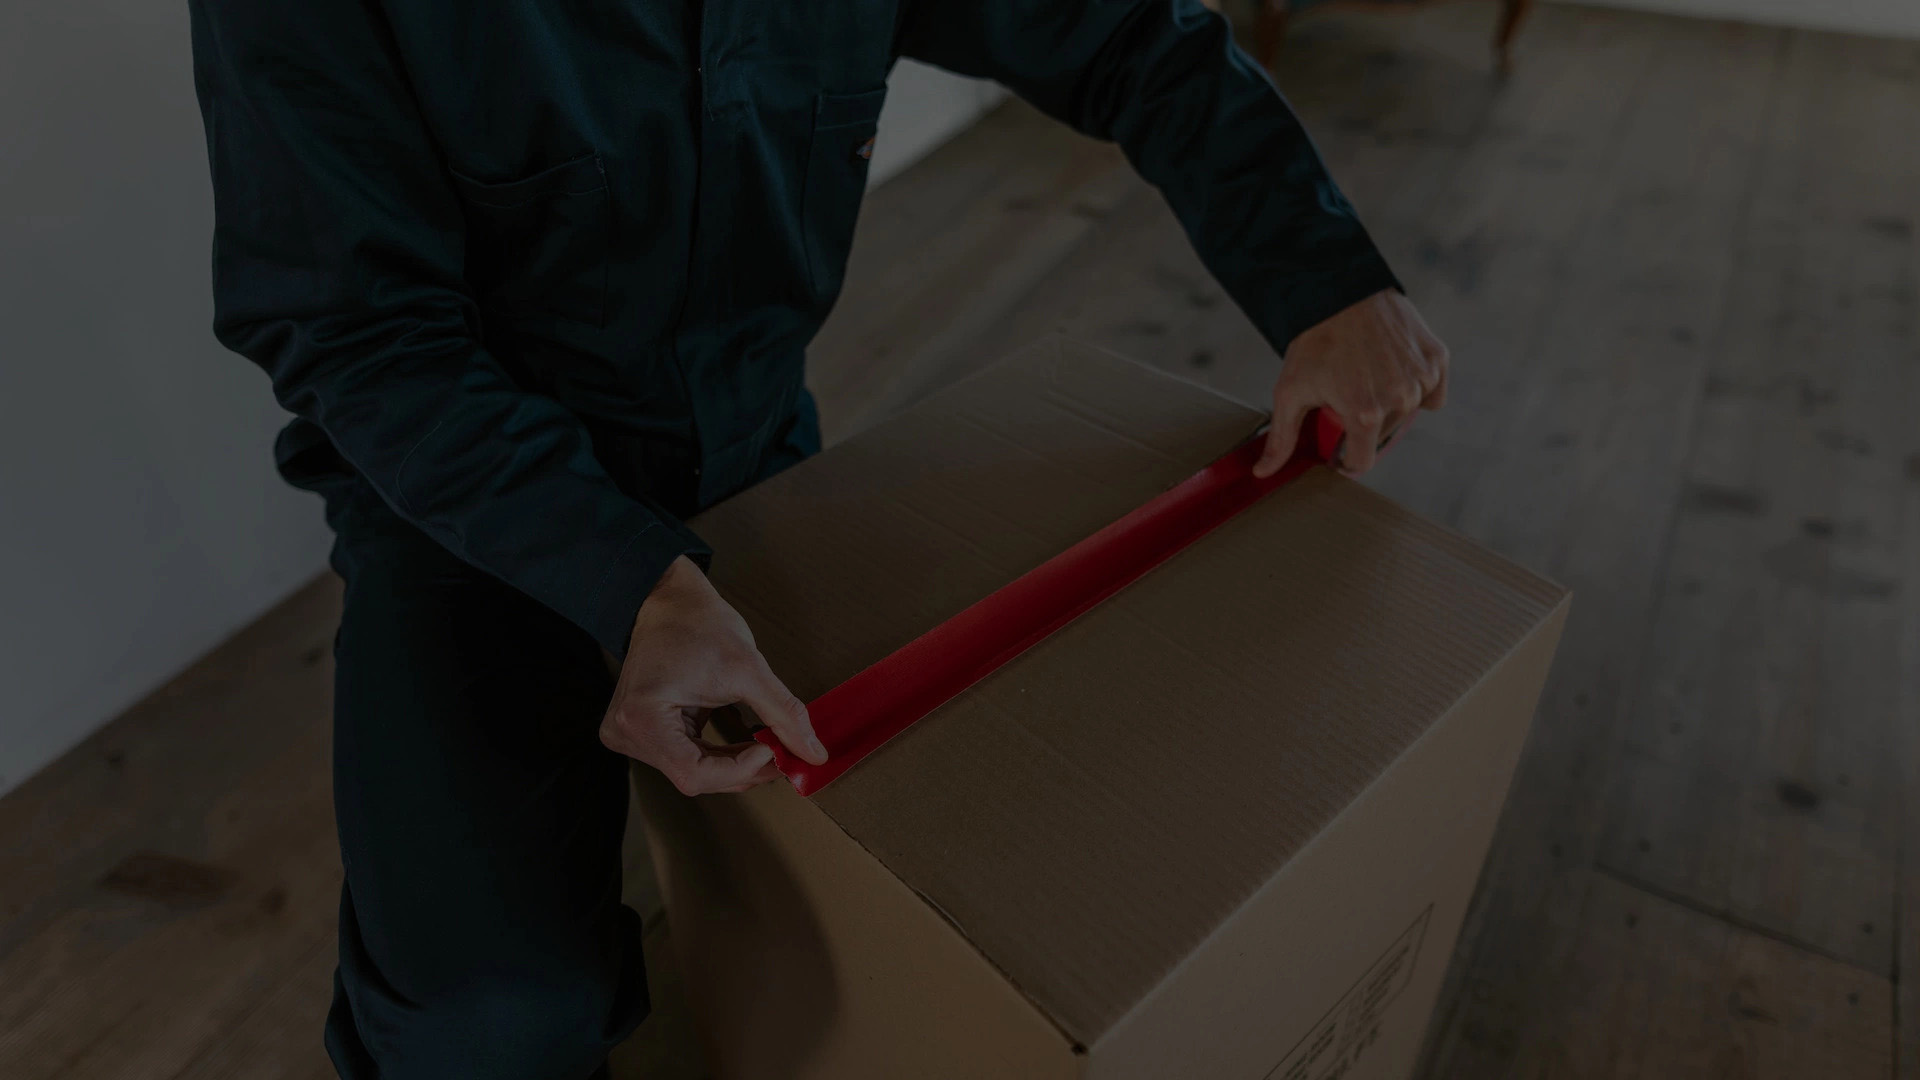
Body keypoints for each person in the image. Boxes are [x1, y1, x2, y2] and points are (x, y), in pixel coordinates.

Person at [187, 0, 1449, 1075]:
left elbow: (1128, 35)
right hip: (459, 509)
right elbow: (354, 328)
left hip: (746, 448)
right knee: (491, 1014)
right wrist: (629, 584)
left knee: (902, 889)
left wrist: (1324, 272)